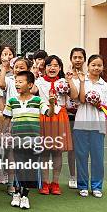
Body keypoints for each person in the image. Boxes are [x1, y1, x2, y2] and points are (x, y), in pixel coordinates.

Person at [3, 71, 54, 210]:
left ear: (30, 84)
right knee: (18, 167)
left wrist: (52, 104)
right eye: (16, 81)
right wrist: (4, 134)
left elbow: (49, 113)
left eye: (21, 81)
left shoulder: (38, 101)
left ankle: (25, 195)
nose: (17, 84)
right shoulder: (12, 101)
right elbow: (7, 118)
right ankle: (17, 193)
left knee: (30, 169)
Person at [72, 54, 107, 198]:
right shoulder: (81, 81)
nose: (96, 68)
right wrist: (83, 83)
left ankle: (97, 186)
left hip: (98, 126)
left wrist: (98, 104)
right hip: (81, 124)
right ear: (88, 66)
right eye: (93, 65)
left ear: (103, 68)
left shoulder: (105, 86)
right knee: (81, 156)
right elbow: (81, 100)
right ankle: (82, 185)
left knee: (97, 157)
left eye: (99, 65)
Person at [35, 55, 75, 196]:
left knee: (57, 151)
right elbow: (32, 91)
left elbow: (74, 96)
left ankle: (55, 183)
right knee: (45, 152)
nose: (52, 68)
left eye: (56, 65)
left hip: (60, 116)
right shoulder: (39, 82)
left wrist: (70, 80)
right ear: (44, 67)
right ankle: (45, 182)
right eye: (49, 65)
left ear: (60, 68)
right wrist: (35, 72)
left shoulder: (64, 81)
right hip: (45, 116)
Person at [65, 47, 87, 189]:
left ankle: (82, 176)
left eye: (80, 57)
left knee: (83, 148)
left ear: (84, 59)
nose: (78, 60)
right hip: (69, 116)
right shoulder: (65, 75)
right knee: (72, 148)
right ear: (71, 59)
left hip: (84, 115)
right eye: (75, 57)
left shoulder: (88, 75)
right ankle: (73, 176)